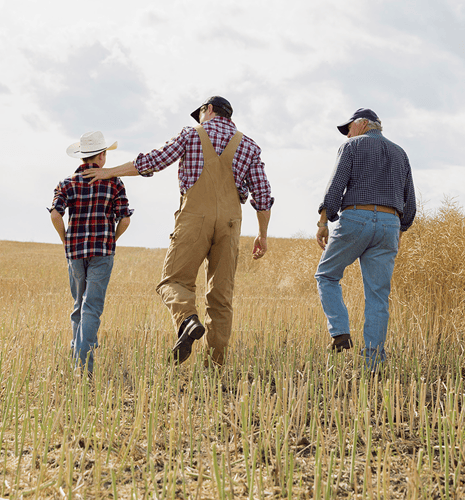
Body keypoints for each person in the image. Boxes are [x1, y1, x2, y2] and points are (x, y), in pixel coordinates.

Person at [83, 96, 274, 366]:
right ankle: (214, 368)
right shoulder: (250, 146)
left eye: (201, 114)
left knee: (172, 282)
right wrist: (262, 234)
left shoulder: (191, 135)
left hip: (194, 218)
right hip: (231, 224)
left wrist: (109, 172)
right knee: (221, 298)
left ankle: (187, 320)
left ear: (208, 110)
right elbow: (263, 196)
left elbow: (151, 162)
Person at [314, 108, 416, 370]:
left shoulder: (351, 147)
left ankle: (339, 332)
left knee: (326, 275)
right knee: (378, 296)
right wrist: (399, 230)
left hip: (356, 218)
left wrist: (324, 220)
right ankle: (372, 363)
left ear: (361, 124)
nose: (347, 134)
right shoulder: (400, 153)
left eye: (348, 128)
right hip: (390, 224)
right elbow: (410, 202)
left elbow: (336, 186)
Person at [49, 131, 133, 374]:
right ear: (103, 156)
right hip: (102, 251)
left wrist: (65, 239)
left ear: (83, 157)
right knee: (92, 307)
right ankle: (83, 366)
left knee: (79, 306)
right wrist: (112, 240)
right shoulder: (114, 182)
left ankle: (78, 354)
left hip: (75, 252)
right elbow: (125, 220)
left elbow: (56, 214)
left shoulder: (67, 183)